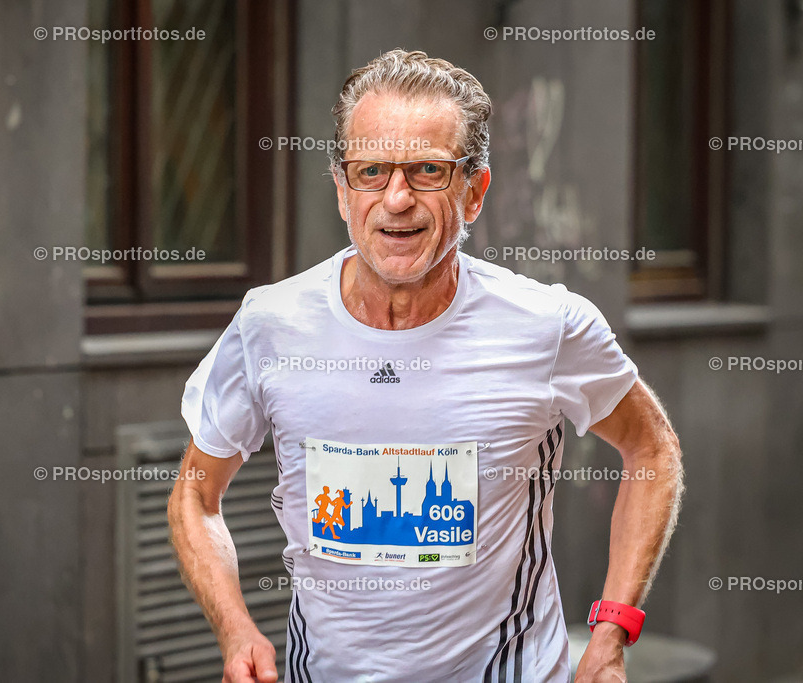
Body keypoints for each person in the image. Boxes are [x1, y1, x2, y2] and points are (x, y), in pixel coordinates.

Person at [169, 49, 683, 682]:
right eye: (372, 170)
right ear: (340, 189)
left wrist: (611, 632)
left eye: (428, 172)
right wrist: (236, 628)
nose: (396, 198)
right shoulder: (270, 325)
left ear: (474, 192)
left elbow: (651, 449)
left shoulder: (546, 326)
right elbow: (196, 494)